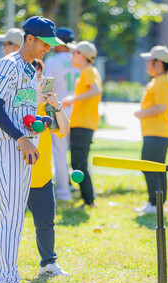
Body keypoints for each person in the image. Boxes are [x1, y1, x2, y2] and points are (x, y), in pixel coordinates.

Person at [0, 15, 64, 283]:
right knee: (10, 216)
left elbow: (19, 111)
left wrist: (37, 121)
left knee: (13, 217)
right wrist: (21, 138)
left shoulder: (31, 71)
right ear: (29, 38)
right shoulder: (9, 64)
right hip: (8, 146)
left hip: (24, 149)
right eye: (45, 42)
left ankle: (1, 281)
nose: (48, 48)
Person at [0, 59, 71, 282]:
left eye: (38, 77)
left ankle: (48, 263)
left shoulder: (46, 104)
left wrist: (56, 106)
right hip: (12, 172)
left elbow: (64, 130)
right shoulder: (15, 102)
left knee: (45, 222)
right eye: (30, 77)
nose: (35, 81)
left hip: (41, 174)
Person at [133, 46, 168, 214]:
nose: (147, 65)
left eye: (149, 62)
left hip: (157, 133)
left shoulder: (163, 81)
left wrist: (142, 113)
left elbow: (161, 107)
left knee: (149, 167)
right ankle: (158, 203)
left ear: (157, 63)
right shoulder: (159, 80)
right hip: (156, 133)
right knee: (156, 169)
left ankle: (154, 203)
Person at [61, 41, 102, 208]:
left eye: (74, 53)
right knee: (78, 164)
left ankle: (89, 200)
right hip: (81, 124)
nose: (71, 56)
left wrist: (72, 99)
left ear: (82, 56)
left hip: (83, 125)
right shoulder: (86, 72)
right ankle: (87, 198)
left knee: (79, 164)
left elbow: (96, 90)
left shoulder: (89, 71)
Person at [44, 27, 79, 201]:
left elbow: (45, 89)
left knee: (59, 153)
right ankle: (73, 188)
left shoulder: (53, 61)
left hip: (60, 111)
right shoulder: (79, 59)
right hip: (78, 113)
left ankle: (64, 191)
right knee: (75, 155)